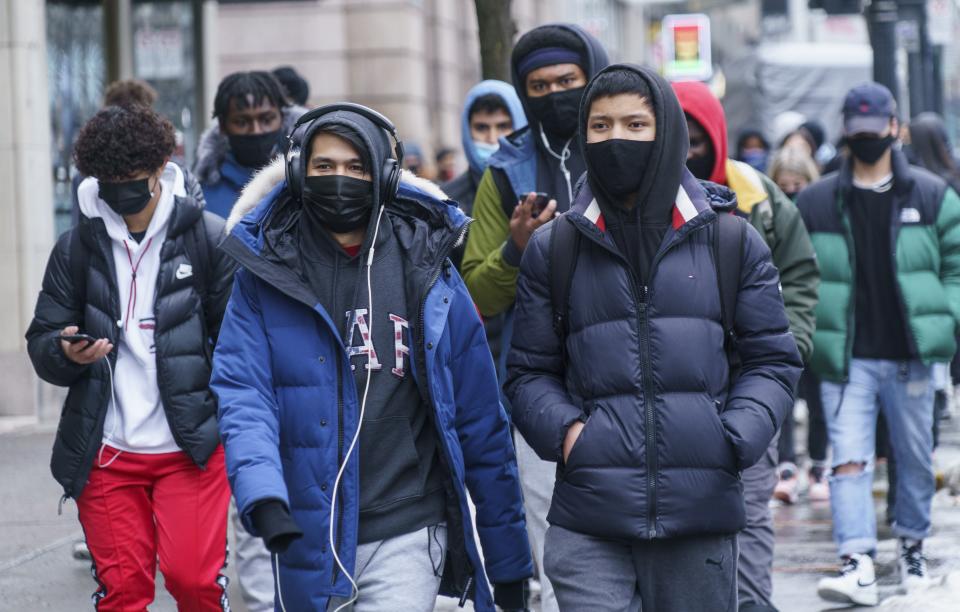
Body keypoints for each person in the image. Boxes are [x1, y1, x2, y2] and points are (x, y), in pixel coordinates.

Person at [210, 103, 533, 611]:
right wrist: (264, 498)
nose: (340, 179)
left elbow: (482, 425)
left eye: (356, 167)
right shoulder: (263, 274)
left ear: (383, 176)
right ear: (297, 173)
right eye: (324, 166)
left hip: (408, 530)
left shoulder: (428, 270)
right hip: (304, 530)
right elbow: (243, 396)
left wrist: (508, 562)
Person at [506, 63, 802, 612]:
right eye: (600, 126)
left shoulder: (731, 241)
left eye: (635, 125)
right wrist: (572, 435)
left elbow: (772, 362)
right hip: (590, 515)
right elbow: (528, 373)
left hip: (699, 515)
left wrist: (732, 436)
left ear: (666, 134)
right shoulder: (554, 248)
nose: (616, 139)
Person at [26, 105, 235, 610]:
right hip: (105, 452)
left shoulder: (210, 238)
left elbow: (238, 347)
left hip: (190, 448)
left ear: (163, 165)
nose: (121, 193)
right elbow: (42, 341)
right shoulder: (76, 248)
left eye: (132, 180)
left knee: (194, 583)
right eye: (108, 182)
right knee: (123, 591)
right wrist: (66, 352)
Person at [460, 23, 609, 612]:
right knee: (551, 537)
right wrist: (517, 249)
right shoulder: (505, 170)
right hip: (541, 379)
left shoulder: (628, 140)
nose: (554, 95)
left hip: (635, 368)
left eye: (567, 81)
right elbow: (477, 291)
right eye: (539, 85)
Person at [798, 83, 960, 605]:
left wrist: (946, 319)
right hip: (847, 357)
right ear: (846, 131)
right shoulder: (818, 200)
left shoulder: (931, 195)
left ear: (896, 128)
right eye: (858, 130)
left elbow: (957, 264)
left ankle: (912, 547)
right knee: (848, 457)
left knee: (913, 458)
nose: (867, 138)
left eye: (876, 128)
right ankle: (857, 560)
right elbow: (796, 273)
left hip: (911, 355)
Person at [674, 80, 819, 612]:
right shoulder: (638, 199)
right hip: (680, 387)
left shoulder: (756, 193)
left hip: (749, 382)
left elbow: (801, 271)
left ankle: (754, 604)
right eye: (678, 137)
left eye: (697, 139)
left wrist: (790, 346)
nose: (688, 151)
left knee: (753, 505)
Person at [765, 149, 829, 506]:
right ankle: (787, 465)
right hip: (780, 319)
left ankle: (818, 464)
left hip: (818, 321)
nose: (791, 193)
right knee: (784, 399)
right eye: (784, 186)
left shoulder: (821, 217)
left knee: (819, 399)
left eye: (798, 185)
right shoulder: (770, 219)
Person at [194, 71, 306, 219]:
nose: (256, 130)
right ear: (222, 126)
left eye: (266, 120)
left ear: (282, 119)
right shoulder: (202, 190)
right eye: (242, 122)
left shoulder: (304, 177)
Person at [443, 79, 526, 217]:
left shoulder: (542, 185)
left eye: (503, 127)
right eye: (481, 128)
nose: (493, 138)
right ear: (466, 131)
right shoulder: (447, 201)